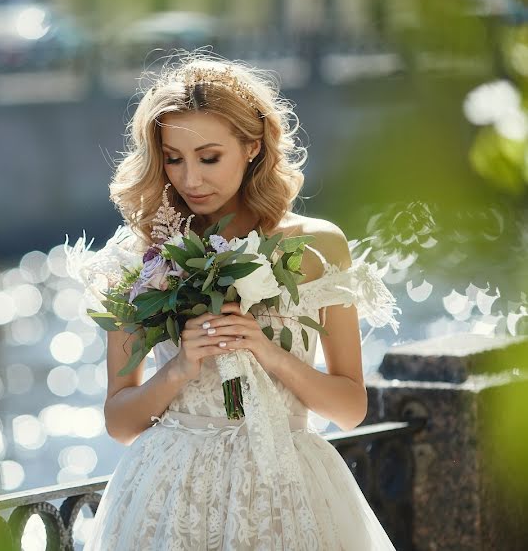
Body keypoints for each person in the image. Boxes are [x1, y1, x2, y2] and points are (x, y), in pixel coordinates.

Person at [67, 52, 401, 550]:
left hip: (286, 491)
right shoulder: (143, 254)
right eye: (173, 159)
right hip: (169, 495)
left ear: (251, 146)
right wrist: (181, 366)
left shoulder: (318, 247)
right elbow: (120, 423)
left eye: (208, 157)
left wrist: (266, 352)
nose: (190, 179)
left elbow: (351, 410)